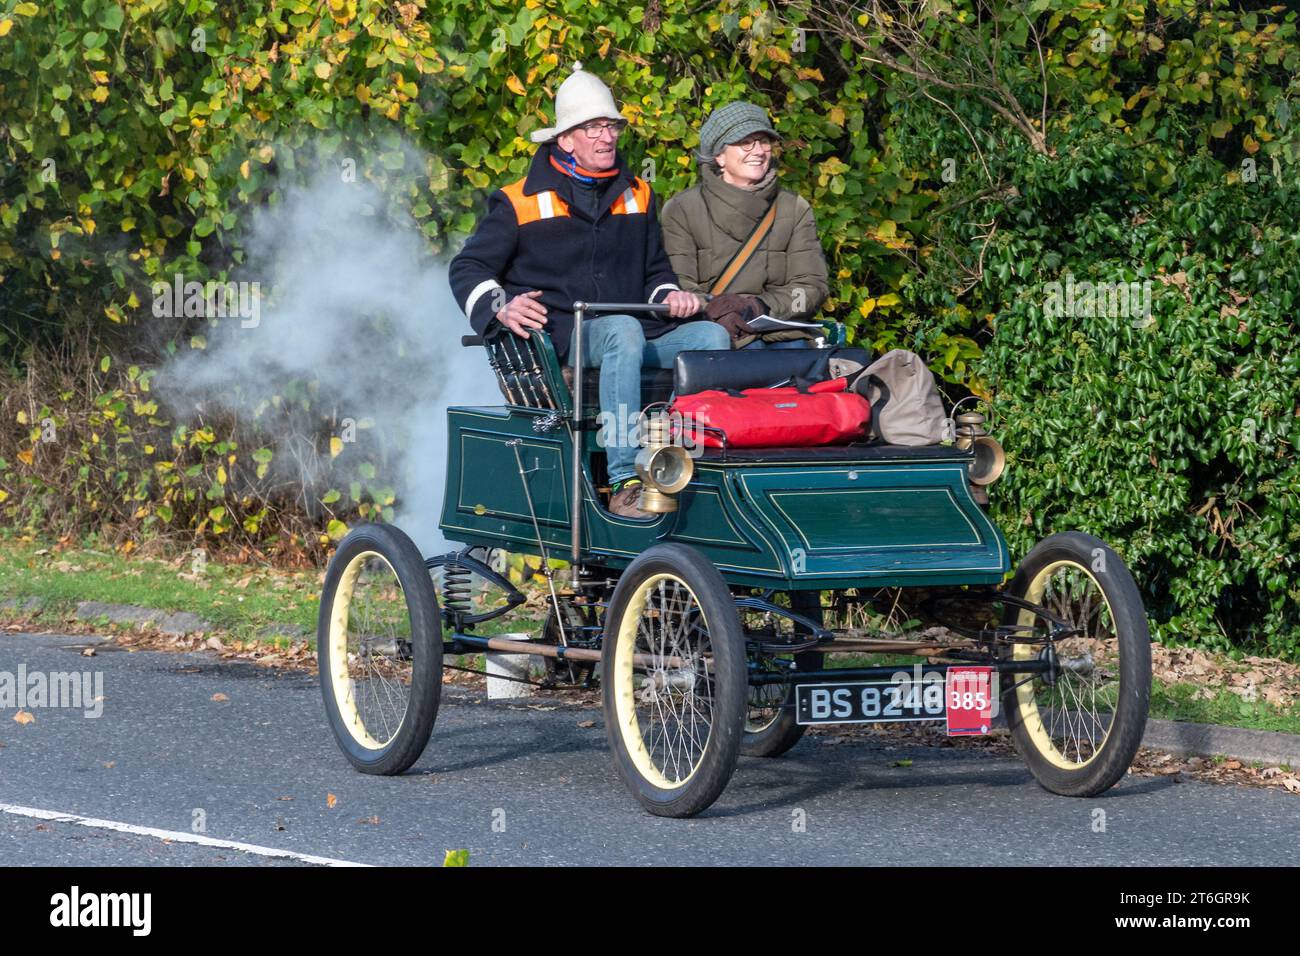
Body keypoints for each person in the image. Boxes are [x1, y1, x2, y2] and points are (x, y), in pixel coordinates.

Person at [449, 64, 725, 518]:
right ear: (565, 140)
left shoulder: (639, 193)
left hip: (632, 336)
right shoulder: (516, 200)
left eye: (611, 125)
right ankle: (625, 480)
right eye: (593, 127)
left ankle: (692, 466)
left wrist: (671, 297)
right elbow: (467, 267)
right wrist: (501, 306)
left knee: (711, 338)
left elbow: (655, 273)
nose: (607, 136)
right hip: (561, 340)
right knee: (621, 330)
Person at [661, 101, 830, 349]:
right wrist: (717, 311)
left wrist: (759, 307)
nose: (759, 151)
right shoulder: (682, 209)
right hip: (715, 333)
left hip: (783, 334)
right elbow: (679, 288)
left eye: (763, 141)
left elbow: (810, 290)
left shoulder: (794, 208)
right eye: (745, 143)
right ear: (719, 156)